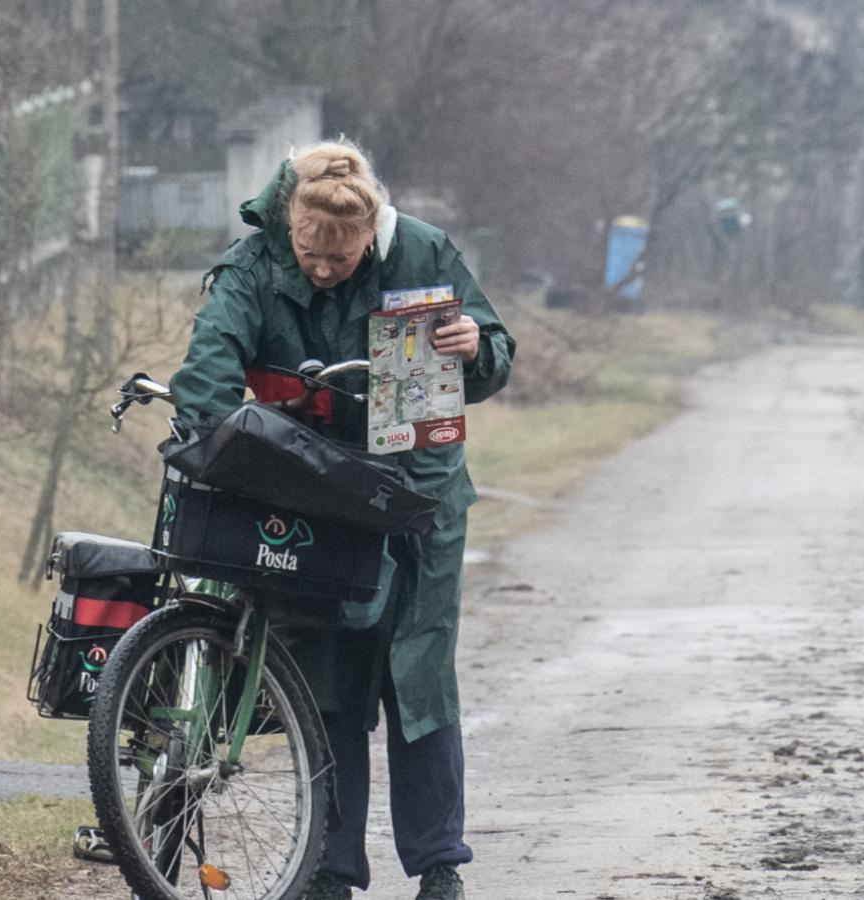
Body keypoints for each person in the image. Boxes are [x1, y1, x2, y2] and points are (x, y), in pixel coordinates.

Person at [170, 139, 515, 900]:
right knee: (329, 683)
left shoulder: (421, 251)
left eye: (341, 258)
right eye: (309, 255)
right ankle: (331, 869)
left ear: (371, 234)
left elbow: (493, 355)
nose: (322, 270)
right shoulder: (252, 266)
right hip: (312, 496)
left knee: (417, 677)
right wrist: (215, 452)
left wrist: (475, 348)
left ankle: (438, 864)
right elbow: (208, 369)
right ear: (290, 225)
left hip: (417, 494)